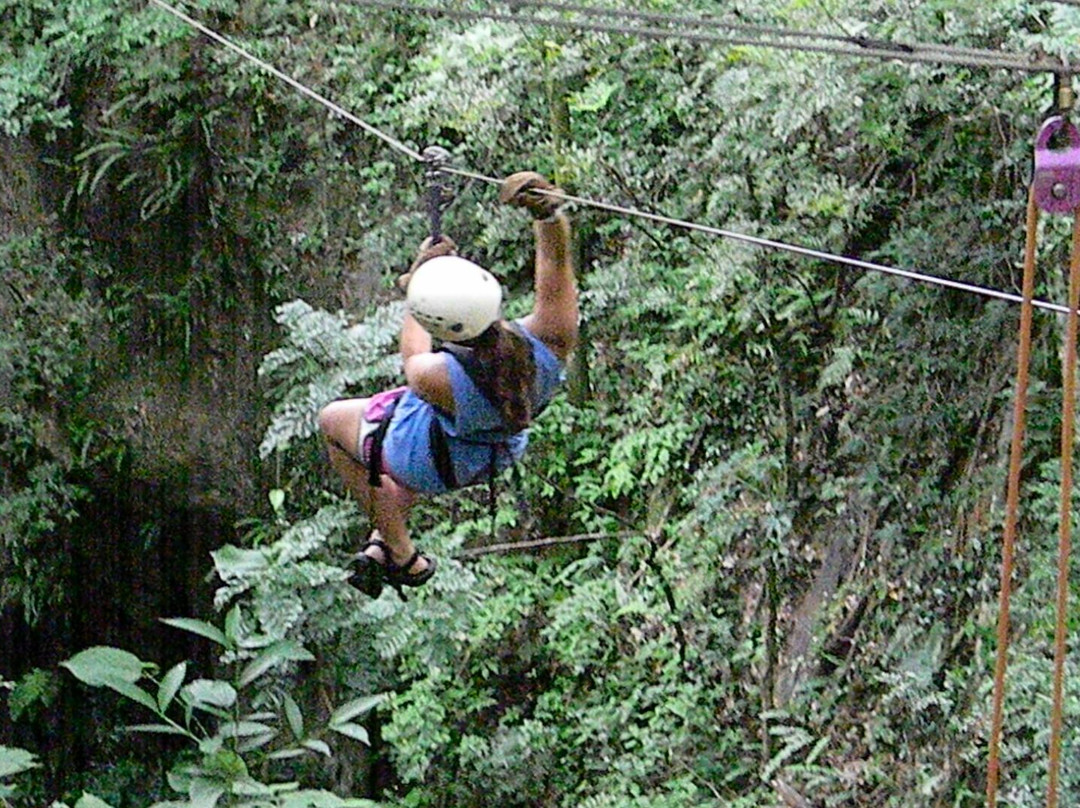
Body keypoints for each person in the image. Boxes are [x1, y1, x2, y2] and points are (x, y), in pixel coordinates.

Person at [317, 171, 578, 596]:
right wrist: (547, 215)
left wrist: (421, 276)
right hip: (491, 456)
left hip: (428, 459)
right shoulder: (551, 340)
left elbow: (415, 345)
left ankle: (402, 554)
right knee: (390, 437)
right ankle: (382, 541)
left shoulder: (434, 376)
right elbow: (556, 267)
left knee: (334, 424)